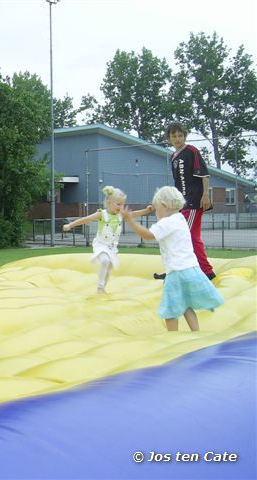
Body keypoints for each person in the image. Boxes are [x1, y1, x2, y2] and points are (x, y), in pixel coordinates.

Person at [122, 186, 223, 332]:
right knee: (186, 305)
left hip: (177, 272)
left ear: (164, 206)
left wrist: (131, 221)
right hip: (192, 269)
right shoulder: (181, 218)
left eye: (157, 209)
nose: (156, 213)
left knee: (170, 311)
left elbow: (148, 236)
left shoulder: (167, 222)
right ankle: (196, 333)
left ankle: (172, 338)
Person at [154, 122, 215, 281]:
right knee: (183, 237)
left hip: (194, 201)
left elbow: (204, 174)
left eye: (180, 135)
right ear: (169, 138)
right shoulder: (173, 156)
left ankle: (206, 272)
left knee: (186, 237)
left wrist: (205, 195)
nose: (177, 139)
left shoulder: (191, 151)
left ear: (184, 136)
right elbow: (177, 183)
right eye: (173, 136)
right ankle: (177, 271)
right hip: (182, 204)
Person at [63, 186, 152, 294]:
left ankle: (103, 288)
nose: (121, 207)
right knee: (105, 260)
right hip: (101, 244)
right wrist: (70, 225)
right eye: (118, 204)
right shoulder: (102, 214)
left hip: (112, 247)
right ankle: (99, 288)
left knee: (109, 268)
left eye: (123, 204)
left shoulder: (120, 215)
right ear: (109, 203)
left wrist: (146, 210)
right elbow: (86, 219)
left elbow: (133, 214)